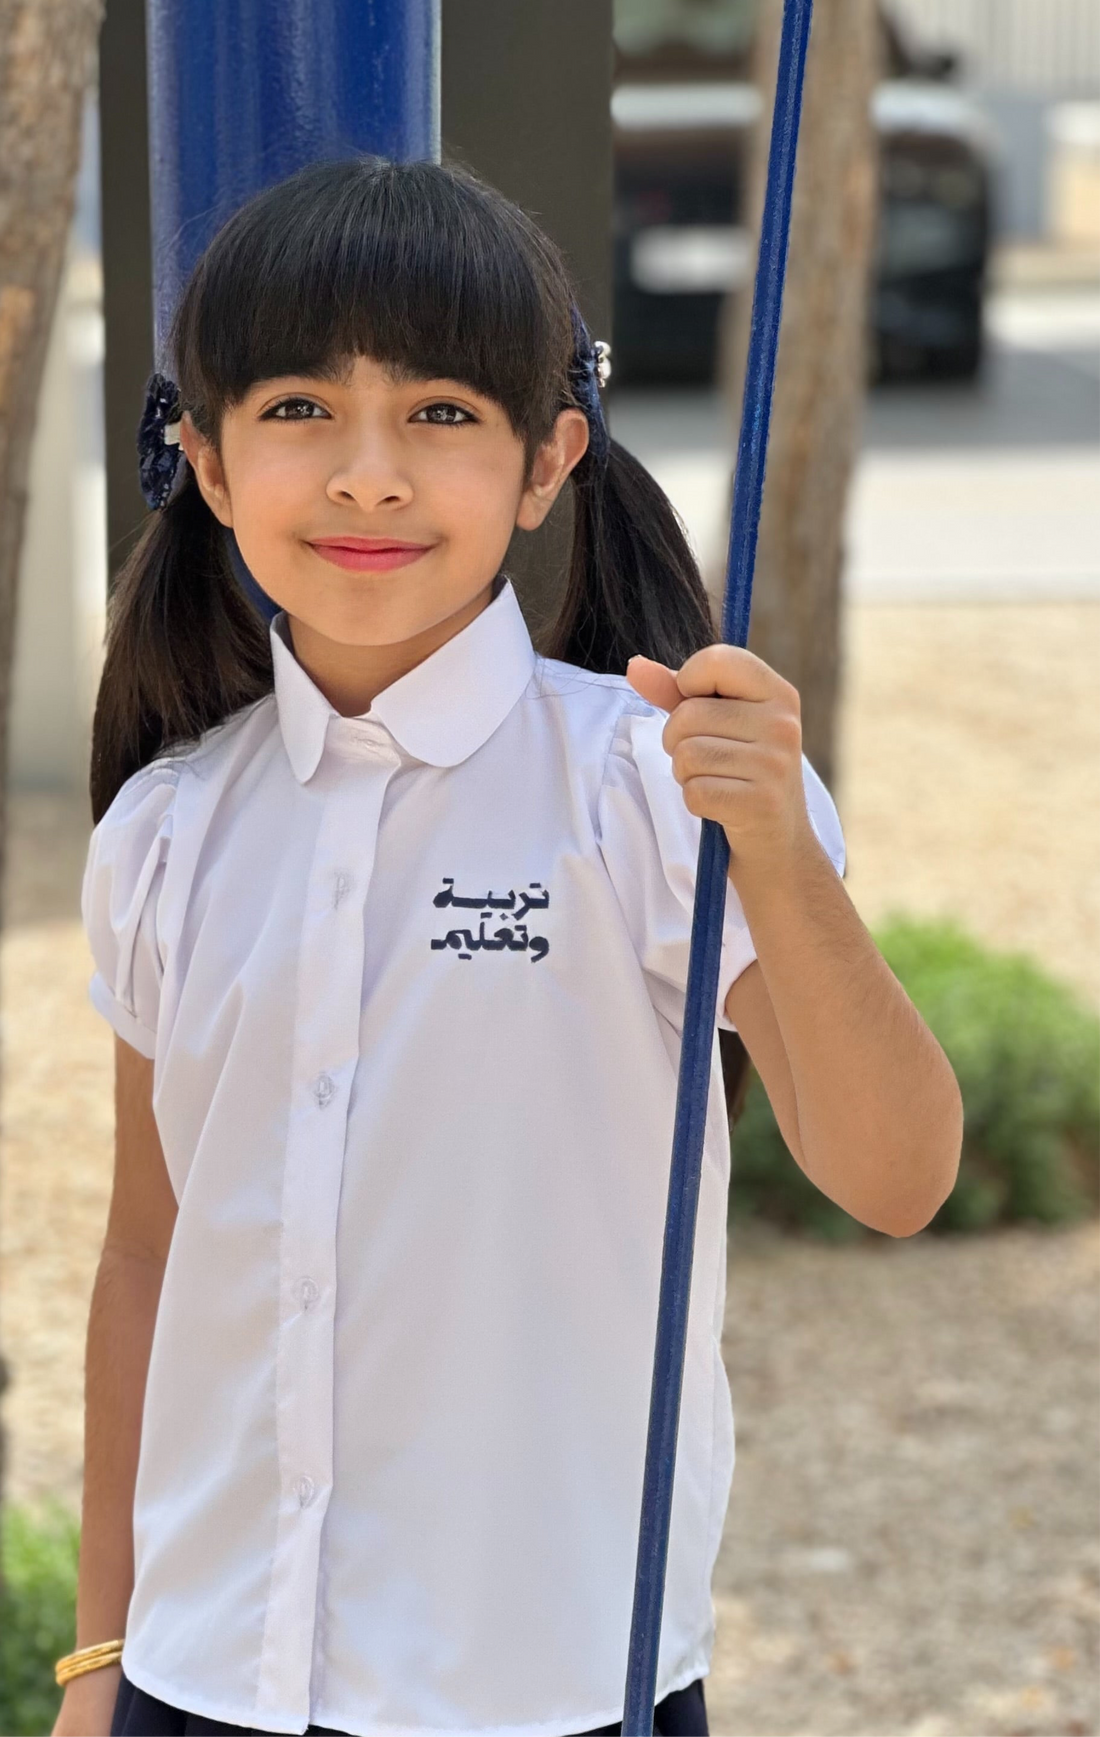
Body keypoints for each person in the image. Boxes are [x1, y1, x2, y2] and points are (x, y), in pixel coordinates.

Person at [52, 157, 962, 1737]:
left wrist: (776, 852)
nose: (369, 477)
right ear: (205, 461)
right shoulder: (168, 829)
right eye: (298, 410)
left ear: (549, 462)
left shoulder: (650, 789)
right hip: (201, 1681)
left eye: (442, 414)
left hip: (549, 1693)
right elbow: (149, 1255)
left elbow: (899, 1177)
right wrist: (99, 1658)